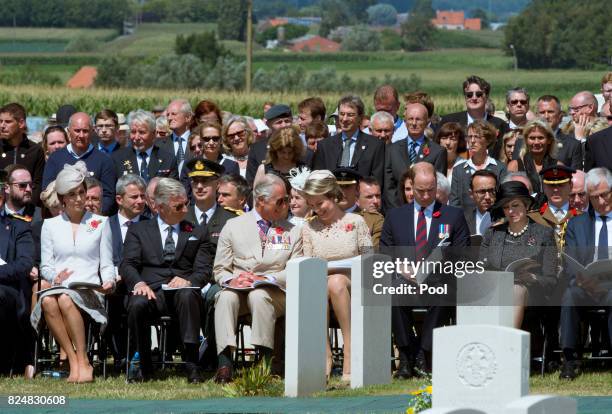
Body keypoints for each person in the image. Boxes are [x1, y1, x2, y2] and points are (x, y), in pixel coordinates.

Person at [381, 162, 470, 377]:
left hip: (439, 280)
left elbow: (462, 252)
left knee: (443, 293)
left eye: (431, 190)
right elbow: (385, 250)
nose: (426, 195)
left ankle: (424, 352)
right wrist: (400, 266)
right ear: (411, 185)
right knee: (393, 293)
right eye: (420, 190)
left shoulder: (453, 215)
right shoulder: (395, 216)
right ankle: (405, 354)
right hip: (405, 280)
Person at [120, 178, 213, 383]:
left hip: (182, 293)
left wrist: (188, 280)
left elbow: (204, 269)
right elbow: (127, 264)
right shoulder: (139, 230)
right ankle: (144, 364)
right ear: (160, 207)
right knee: (136, 304)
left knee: (188, 295)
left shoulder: (197, 231)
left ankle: (192, 364)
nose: (184, 209)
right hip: (150, 291)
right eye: (178, 206)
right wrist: (139, 284)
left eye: (186, 203)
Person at [213, 174, 303, 383]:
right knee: (225, 298)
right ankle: (225, 364)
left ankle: (265, 361)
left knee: (259, 295)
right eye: (280, 200)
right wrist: (232, 281)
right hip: (239, 290)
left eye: (287, 199)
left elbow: (294, 268)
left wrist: (265, 278)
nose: (286, 204)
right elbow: (220, 269)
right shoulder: (233, 226)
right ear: (261, 200)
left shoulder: (294, 231)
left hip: (276, 293)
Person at [32, 161, 115, 383]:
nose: (79, 198)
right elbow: (46, 266)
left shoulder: (100, 223)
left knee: (65, 300)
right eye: (72, 194)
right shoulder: (50, 226)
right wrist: (53, 277)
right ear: (62, 199)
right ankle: (75, 360)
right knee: (49, 301)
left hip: (89, 289)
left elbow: (107, 264)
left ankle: (83, 361)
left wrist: (109, 281)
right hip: (60, 288)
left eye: (82, 192)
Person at [301, 170, 373, 381]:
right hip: (320, 284)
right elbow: (308, 263)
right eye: (312, 205)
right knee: (323, 284)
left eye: (320, 203)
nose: (317, 209)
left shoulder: (356, 222)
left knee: (336, 281)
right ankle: (325, 356)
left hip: (355, 282)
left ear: (333, 196)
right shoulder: (308, 227)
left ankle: (349, 350)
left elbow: (370, 259)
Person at [479, 181, 558, 329]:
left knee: (516, 290)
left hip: (531, 292)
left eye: (515, 205)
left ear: (526, 205)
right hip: (496, 289)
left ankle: (508, 344)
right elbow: (481, 270)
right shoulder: (493, 233)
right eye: (506, 207)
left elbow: (551, 280)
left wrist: (533, 278)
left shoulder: (544, 233)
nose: (510, 211)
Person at [559, 168, 612, 380]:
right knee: (570, 296)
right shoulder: (576, 223)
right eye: (594, 197)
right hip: (585, 284)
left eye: (605, 194)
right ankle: (570, 361)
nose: (600, 201)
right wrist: (583, 280)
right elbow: (571, 261)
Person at [106, 174, 147, 372]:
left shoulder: (151, 224)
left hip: (141, 285)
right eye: (134, 197)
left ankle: (136, 356)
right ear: (119, 199)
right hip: (112, 286)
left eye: (142, 196)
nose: (140, 201)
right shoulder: (104, 225)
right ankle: (120, 355)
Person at [42, 112, 116, 215]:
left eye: (85, 131)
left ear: (92, 131)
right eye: (77, 131)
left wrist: (91, 216)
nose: (81, 135)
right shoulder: (55, 158)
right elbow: (47, 191)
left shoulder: (104, 160)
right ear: (68, 131)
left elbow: (108, 196)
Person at [384, 102, 447, 209]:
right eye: (410, 119)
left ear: (427, 122)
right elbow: (388, 185)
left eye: (418, 119)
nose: (414, 123)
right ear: (404, 121)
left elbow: (438, 186)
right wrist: (400, 209)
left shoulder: (438, 151)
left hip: (426, 210)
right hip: (398, 210)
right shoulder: (392, 149)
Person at [313, 95, 385, 187]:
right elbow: (318, 180)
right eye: (342, 114)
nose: (344, 119)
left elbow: (376, 181)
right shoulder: (324, 146)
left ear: (360, 118)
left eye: (350, 115)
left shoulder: (375, 146)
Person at [438, 75, 509, 159]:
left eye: (479, 94)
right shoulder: (449, 121)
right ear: (465, 97)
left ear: (486, 97)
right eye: (469, 95)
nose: (474, 98)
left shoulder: (500, 125)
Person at [450, 120, 506, 211]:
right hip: (465, 222)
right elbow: (454, 203)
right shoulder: (458, 170)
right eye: (469, 137)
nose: (472, 141)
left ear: (488, 140)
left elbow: (504, 199)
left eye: (477, 137)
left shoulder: (500, 168)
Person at [112, 109, 178, 184]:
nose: (136, 137)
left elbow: (172, 191)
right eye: (133, 132)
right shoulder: (117, 159)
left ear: (153, 134)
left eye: (142, 132)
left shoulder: (168, 159)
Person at [0, 103, 46, 206]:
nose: (2, 125)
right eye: (0, 121)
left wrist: (27, 210)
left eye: (8, 122)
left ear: (21, 123)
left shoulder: (35, 151)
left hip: (28, 213)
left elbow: (38, 185)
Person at [508, 119, 562, 194]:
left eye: (541, 138)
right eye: (532, 138)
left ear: (549, 140)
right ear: (526, 140)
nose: (536, 142)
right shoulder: (515, 166)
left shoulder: (558, 166)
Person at [246, 104, 295, 184]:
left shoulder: (302, 149)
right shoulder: (257, 149)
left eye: (287, 121)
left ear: (292, 121)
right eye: (279, 122)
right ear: (268, 124)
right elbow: (251, 182)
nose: (284, 125)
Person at [161, 99, 193, 171]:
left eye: (174, 114)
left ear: (188, 117)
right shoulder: (158, 144)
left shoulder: (198, 143)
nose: (169, 118)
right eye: (168, 115)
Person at [464, 170, 497, 236]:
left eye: (491, 191)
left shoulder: (506, 217)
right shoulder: (463, 219)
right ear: (471, 194)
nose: (487, 197)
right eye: (482, 192)